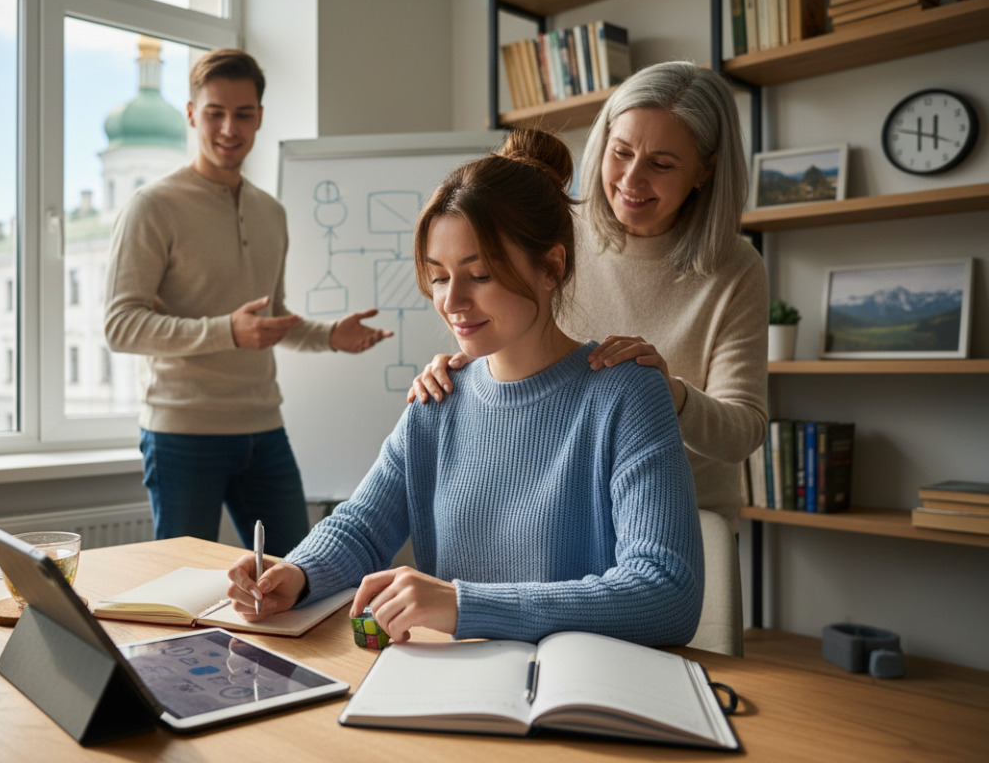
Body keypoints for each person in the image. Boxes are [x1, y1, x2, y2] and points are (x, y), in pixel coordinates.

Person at [225, 128, 703, 647]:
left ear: (551, 267)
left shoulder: (628, 395)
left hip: (575, 684)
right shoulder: (439, 398)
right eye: (439, 277)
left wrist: (464, 605)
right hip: (455, 680)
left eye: (479, 275)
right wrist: (297, 574)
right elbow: (362, 527)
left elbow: (666, 594)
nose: (452, 302)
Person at [409, 61, 768, 534]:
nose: (631, 180)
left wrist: (668, 392)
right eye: (621, 153)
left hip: (684, 520)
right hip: (560, 515)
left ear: (706, 169)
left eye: (661, 164)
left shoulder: (736, 268)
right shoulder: (554, 239)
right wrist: (462, 372)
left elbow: (743, 431)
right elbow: (507, 344)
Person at [104, 49, 391, 556]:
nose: (228, 128)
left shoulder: (270, 212)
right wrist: (226, 331)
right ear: (191, 114)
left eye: (242, 114)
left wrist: (330, 335)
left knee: (297, 575)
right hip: (182, 433)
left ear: (259, 116)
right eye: (214, 113)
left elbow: (267, 320)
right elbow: (120, 325)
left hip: (263, 429)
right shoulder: (152, 206)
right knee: (179, 583)